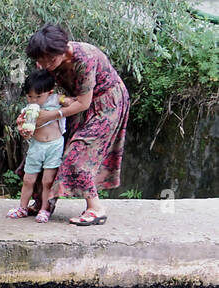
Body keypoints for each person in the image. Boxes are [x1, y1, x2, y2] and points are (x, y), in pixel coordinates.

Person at [21, 23, 130, 226]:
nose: (45, 65)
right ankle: (44, 203)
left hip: (106, 103)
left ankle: (96, 209)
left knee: (79, 152)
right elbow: (44, 93)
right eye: (41, 61)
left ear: (63, 50)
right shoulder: (46, 61)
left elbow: (84, 102)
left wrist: (53, 114)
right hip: (75, 102)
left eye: (51, 60)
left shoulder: (84, 58)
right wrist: (30, 116)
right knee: (57, 149)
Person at [7, 70, 66, 223]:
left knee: (47, 180)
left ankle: (44, 210)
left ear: (50, 92)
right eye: (30, 96)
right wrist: (24, 131)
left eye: (38, 96)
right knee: (28, 179)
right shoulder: (27, 110)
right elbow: (23, 128)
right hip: (36, 146)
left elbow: (73, 104)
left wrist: (63, 101)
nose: (34, 100)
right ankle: (22, 207)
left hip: (54, 146)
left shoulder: (56, 100)